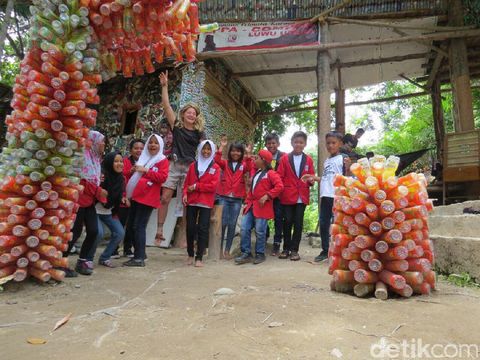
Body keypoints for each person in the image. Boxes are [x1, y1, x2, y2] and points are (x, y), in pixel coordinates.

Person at [156, 71, 205, 244]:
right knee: (165, 197)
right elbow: (167, 106)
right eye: (189, 112)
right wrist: (165, 86)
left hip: (190, 167)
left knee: (187, 202)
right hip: (174, 165)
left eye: (194, 113)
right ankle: (160, 230)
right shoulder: (176, 126)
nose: (192, 115)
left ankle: (185, 236)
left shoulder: (199, 132)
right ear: (184, 114)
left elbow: (207, 151)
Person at [63, 130, 107, 276]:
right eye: (101, 141)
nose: (103, 145)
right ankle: (60, 263)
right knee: (74, 233)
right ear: (93, 142)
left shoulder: (95, 158)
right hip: (79, 200)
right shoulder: (82, 158)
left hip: (89, 201)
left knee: (93, 230)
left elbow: (92, 179)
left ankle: (82, 261)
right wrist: (99, 191)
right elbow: (81, 181)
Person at [124, 134, 169, 267]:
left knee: (139, 226)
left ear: (160, 146)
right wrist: (134, 171)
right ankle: (140, 254)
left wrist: (146, 171)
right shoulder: (145, 158)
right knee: (133, 225)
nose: (152, 145)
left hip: (147, 197)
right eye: (151, 142)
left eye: (156, 143)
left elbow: (162, 177)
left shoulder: (162, 160)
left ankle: (139, 258)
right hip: (136, 195)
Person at [305, 132, 348, 263]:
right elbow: (326, 179)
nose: (330, 145)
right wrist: (313, 177)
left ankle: (340, 251)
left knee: (338, 225)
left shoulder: (343, 158)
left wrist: (348, 167)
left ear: (340, 144)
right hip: (325, 196)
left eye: (333, 143)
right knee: (324, 224)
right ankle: (325, 250)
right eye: (328, 143)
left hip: (337, 196)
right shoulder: (327, 161)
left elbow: (348, 177)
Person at [235, 150, 283, 265]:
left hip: (262, 207)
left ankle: (260, 253)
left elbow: (280, 186)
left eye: (257, 158)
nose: (255, 160)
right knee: (244, 228)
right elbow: (252, 191)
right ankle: (246, 253)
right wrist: (247, 202)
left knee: (260, 231)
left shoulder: (271, 173)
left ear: (264, 161)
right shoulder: (257, 173)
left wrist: (267, 195)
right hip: (251, 205)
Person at [276, 131, 315, 261]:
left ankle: (294, 250)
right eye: (296, 142)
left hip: (302, 196)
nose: (298, 144)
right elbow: (279, 177)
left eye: (301, 142)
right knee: (287, 222)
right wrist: (280, 190)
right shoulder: (284, 159)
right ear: (292, 142)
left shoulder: (308, 159)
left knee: (298, 223)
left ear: (305, 144)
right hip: (287, 195)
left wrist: (311, 180)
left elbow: (311, 176)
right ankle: (285, 248)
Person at [183, 140, 221, 267]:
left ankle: (199, 257)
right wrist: (184, 194)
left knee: (203, 229)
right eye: (204, 149)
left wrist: (196, 186)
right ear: (199, 150)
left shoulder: (215, 168)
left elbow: (213, 186)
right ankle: (190, 254)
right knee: (190, 227)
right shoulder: (193, 165)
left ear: (212, 152)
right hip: (192, 201)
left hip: (205, 201)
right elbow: (186, 183)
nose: (206, 152)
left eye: (209, 149)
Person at [215, 137, 252, 259]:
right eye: (233, 151)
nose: (235, 153)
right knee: (223, 223)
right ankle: (219, 249)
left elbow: (250, 166)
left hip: (236, 198)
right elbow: (216, 159)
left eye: (238, 151)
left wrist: (248, 153)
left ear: (241, 153)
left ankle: (227, 250)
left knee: (232, 224)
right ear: (230, 152)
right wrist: (222, 147)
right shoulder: (225, 163)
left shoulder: (243, 165)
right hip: (224, 197)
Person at [96, 151, 126, 268]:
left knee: (119, 233)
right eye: (116, 161)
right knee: (98, 233)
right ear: (109, 162)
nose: (119, 164)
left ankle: (104, 257)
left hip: (108, 211)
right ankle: (86, 258)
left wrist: (122, 199)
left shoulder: (120, 178)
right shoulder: (101, 176)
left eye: (121, 161)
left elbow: (116, 194)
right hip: (95, 210)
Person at [119, 138, 144, 258]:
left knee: (133, 225)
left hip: (139, 197)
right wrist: (130, 171)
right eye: (136, 148)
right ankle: (114, 249)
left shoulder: (147, 162)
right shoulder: (124, 161)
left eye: (141, 148)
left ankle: (128, 248)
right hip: (125, 197)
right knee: (121, 222)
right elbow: (120, 176)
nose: (138, 150)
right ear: (131, 150)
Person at [264, 133, 285, 256]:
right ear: (266, 144)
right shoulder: (263, 156)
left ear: (278, 144)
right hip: (265, 192)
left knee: (278, 217)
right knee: (263, 216)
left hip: (278, 193)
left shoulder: (284, 157)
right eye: (269, 143)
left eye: (273, 143)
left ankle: (277, 243)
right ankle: (265, 236)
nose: (271, 145)